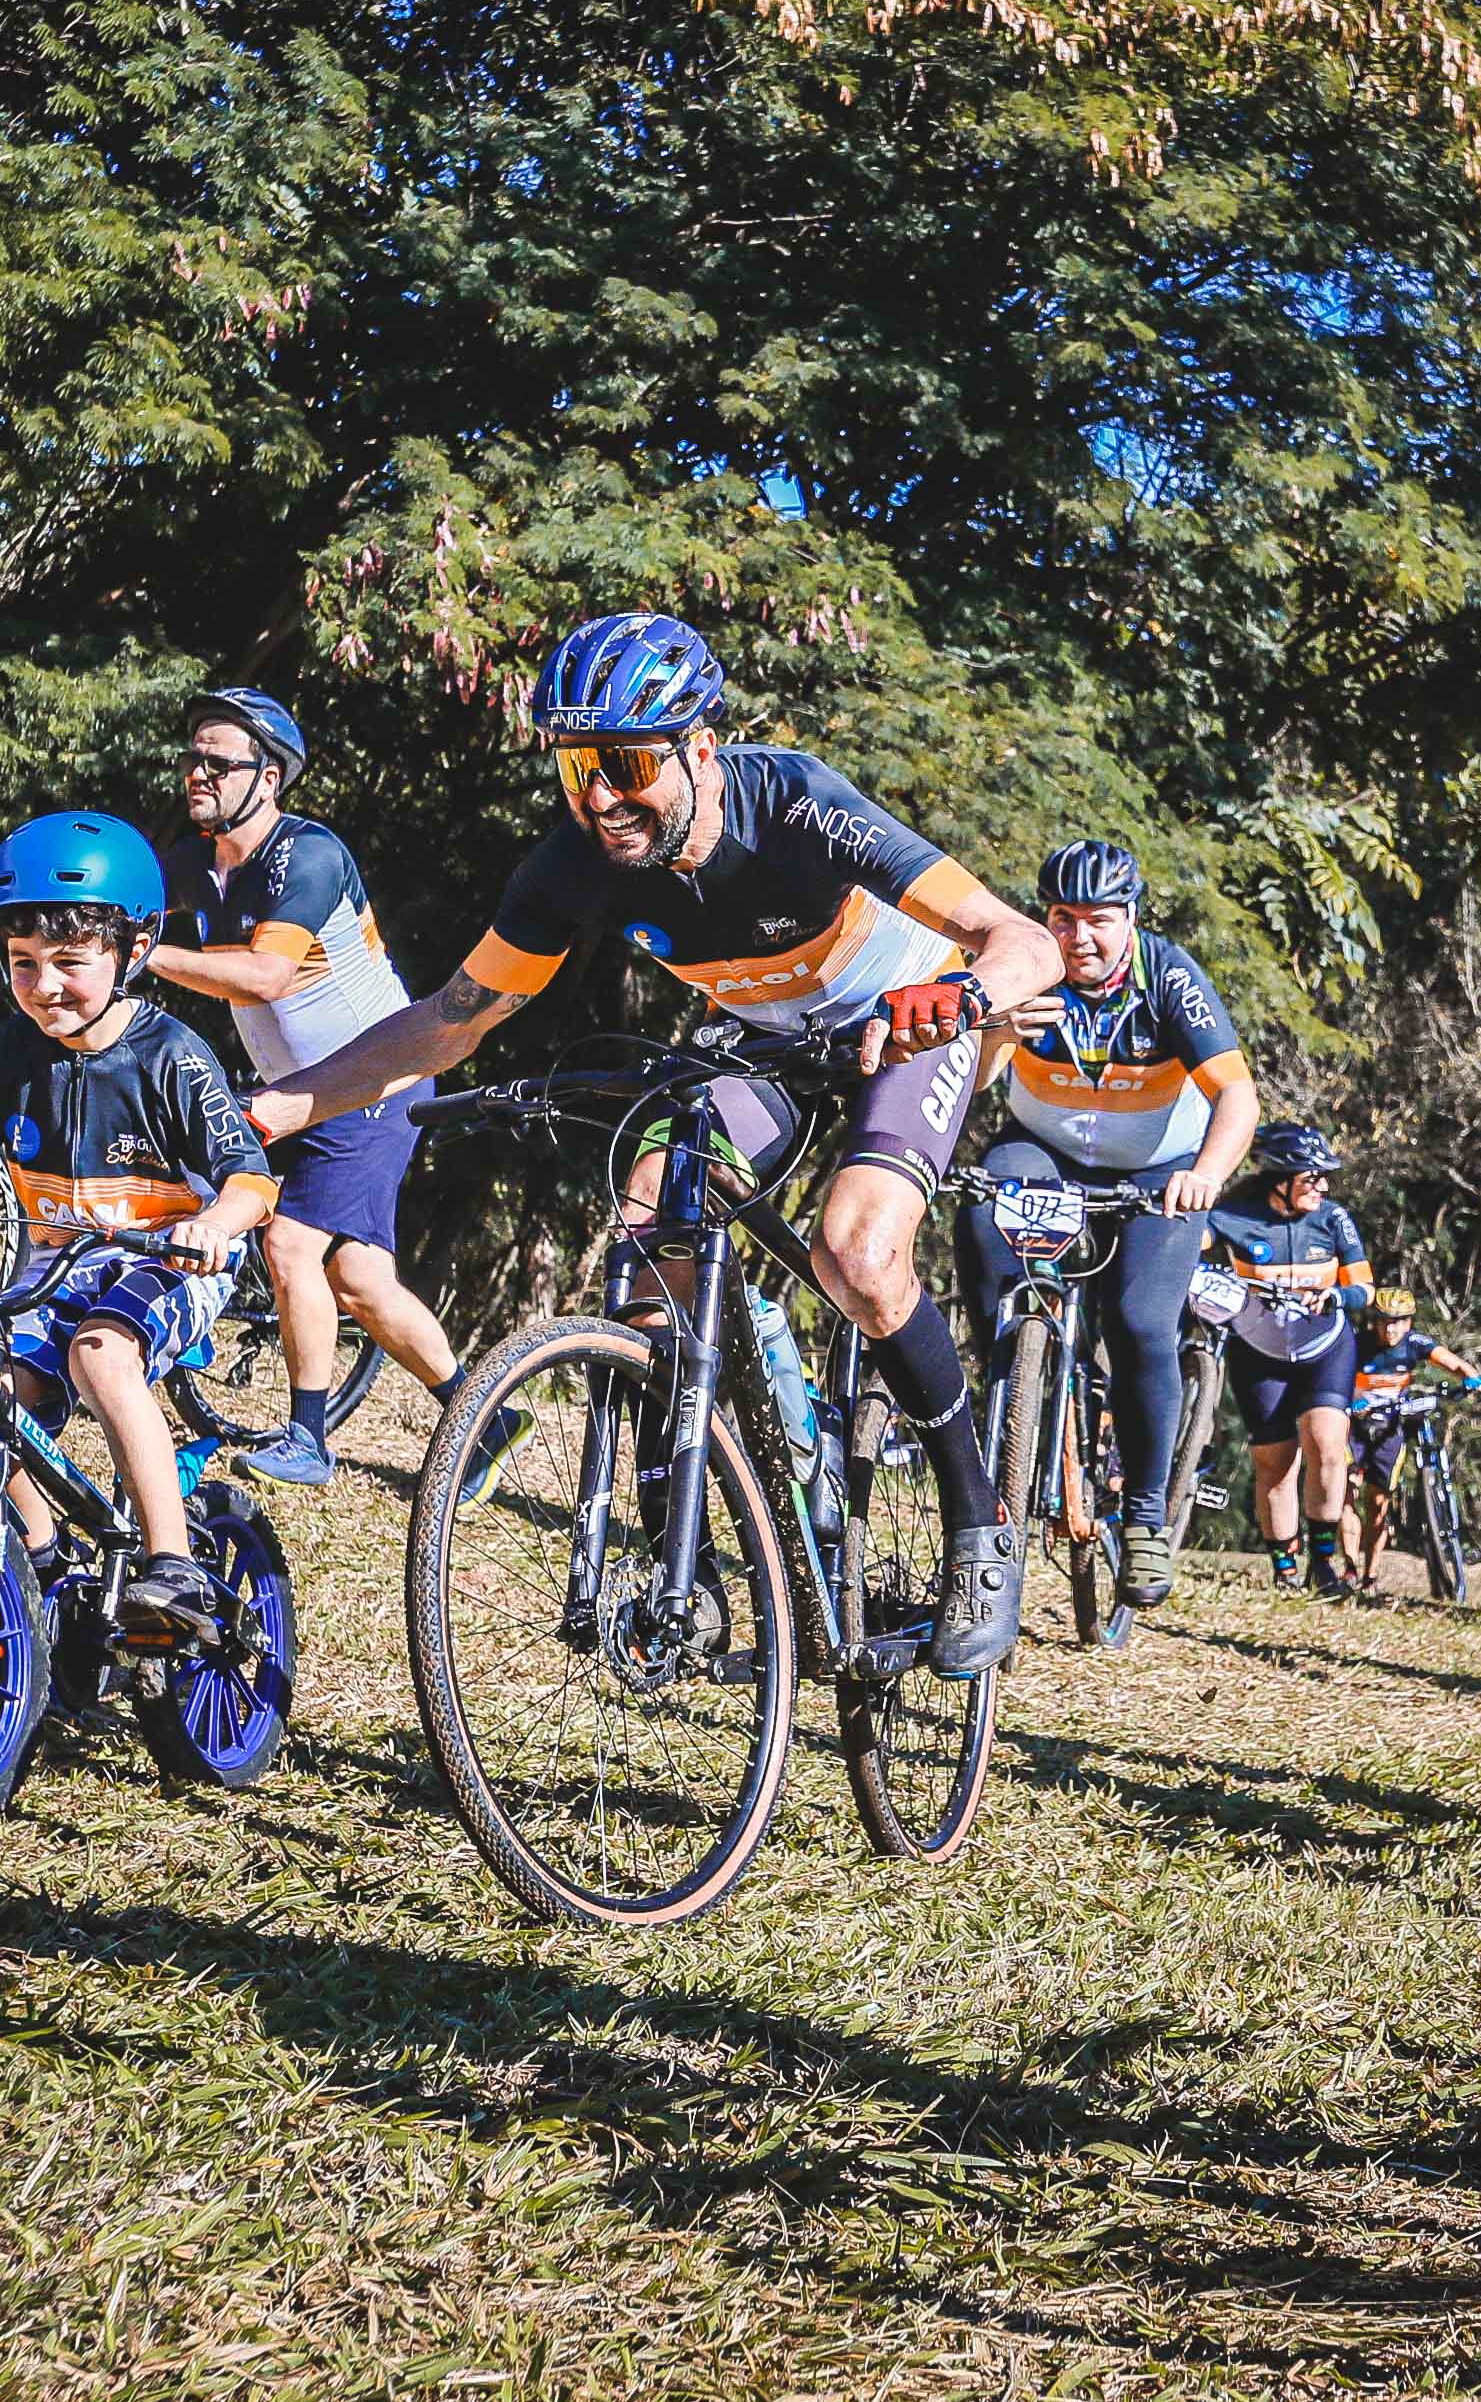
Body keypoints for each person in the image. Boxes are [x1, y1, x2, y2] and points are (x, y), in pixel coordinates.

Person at [249, 613, 1063, 1672]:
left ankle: (977, 1524)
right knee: (647, 1244)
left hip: (901, 1023)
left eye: (627, 763)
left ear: (700, 750)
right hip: (762, 1040)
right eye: (578, 767)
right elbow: (455, 1014)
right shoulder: (573, 867)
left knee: (858, 1253)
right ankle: (692, 1572)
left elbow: (1024, 941)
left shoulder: (793, 803)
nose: (600, 798)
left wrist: (959, 995)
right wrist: (283, 1103)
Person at [0, 814, 275, 1640]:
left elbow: (251, 1180)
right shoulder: (10, 1055)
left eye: (69, 963)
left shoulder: (170, 1055)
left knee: (101, 1350)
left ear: (133, 953)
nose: (43, 986)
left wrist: (213, 1225)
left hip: (173, 1260)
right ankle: (39, 1561)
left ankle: (171, 1565)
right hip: (67, 1264)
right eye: (22, 964)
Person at [137, 685, 492, 1487]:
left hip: (373, 1083)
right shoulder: (192, 862)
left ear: (268, 778)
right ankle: (483, 1413)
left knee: (290, 1243)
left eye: (218, 762)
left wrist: (144, 957)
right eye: (192, 756)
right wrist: (30, 923)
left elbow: (267, 975)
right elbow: (119, 915)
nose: (198, 772)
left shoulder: (310, 855)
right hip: (292, 1088)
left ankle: (308, 1440)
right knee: (360, 1280)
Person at [958, 838, 1261, 1614]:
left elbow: (1237, 1097)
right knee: (984, 1211)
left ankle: (1149, 1512)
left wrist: (1206, 1177)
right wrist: (999, 1030)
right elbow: (975, 1084)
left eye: (1099, 920)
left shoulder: (1167, 977)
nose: (1079, 938)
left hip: (1159, 1168)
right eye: (1063, 918)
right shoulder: (1026, 963)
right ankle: (1010, 1390)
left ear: (1130, 919)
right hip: (1044, 1150)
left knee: (1138, 1321)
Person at [1204, 1123, 1377, 1593]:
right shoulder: (1232, 1216)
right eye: (1312, 1177)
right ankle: (1284, 1568)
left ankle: (1324, 1563)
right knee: (1276, 1465)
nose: (1323, 1186)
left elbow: (1366, 1286)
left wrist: (1339, 1297)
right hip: (1259, 1351)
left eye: (1325, 1178)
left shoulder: (1333, 1219)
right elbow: (1182, 1258)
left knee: (1326, 1445)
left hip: (1326, 1347)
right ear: (1279, 1179)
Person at [1344, 1288, 1480, 1590]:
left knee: (1379, 1503)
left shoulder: (1414, 1343)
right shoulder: (1358, 1345)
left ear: (1408, 1322)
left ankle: (1371, 1575)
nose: (1390, 1328)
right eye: (1383, 1321)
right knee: (1347, 1493)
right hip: (1354, 1427)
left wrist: (1471, 1376)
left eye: (1398, 1321)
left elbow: (1451, 1362)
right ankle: (1350, 1567)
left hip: (1390, 1428)